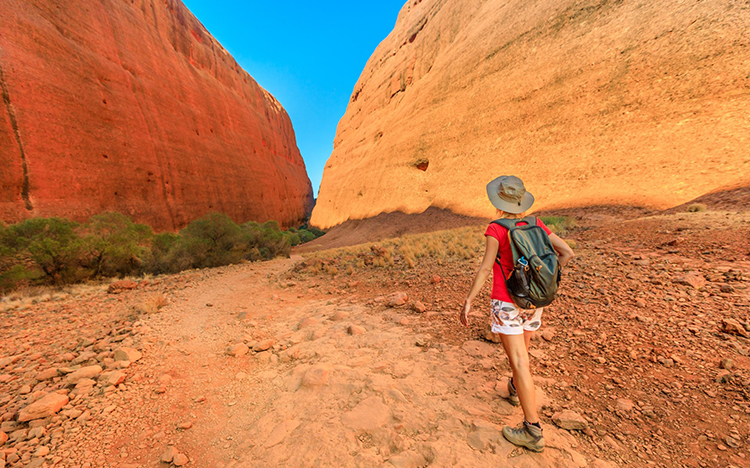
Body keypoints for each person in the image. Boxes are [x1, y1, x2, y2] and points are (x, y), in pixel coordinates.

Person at [459, 175, 575, 453]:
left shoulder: (496, 228)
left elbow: (486, 268)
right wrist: (544, 280)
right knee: (522, 354)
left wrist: (468, 300)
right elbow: (566, 252)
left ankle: (532, 430)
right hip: (534, 300)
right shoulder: (536, 224)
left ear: (498, 202)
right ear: (521, 200)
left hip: (506, 301)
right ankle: (514, 388)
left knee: (520, 361)